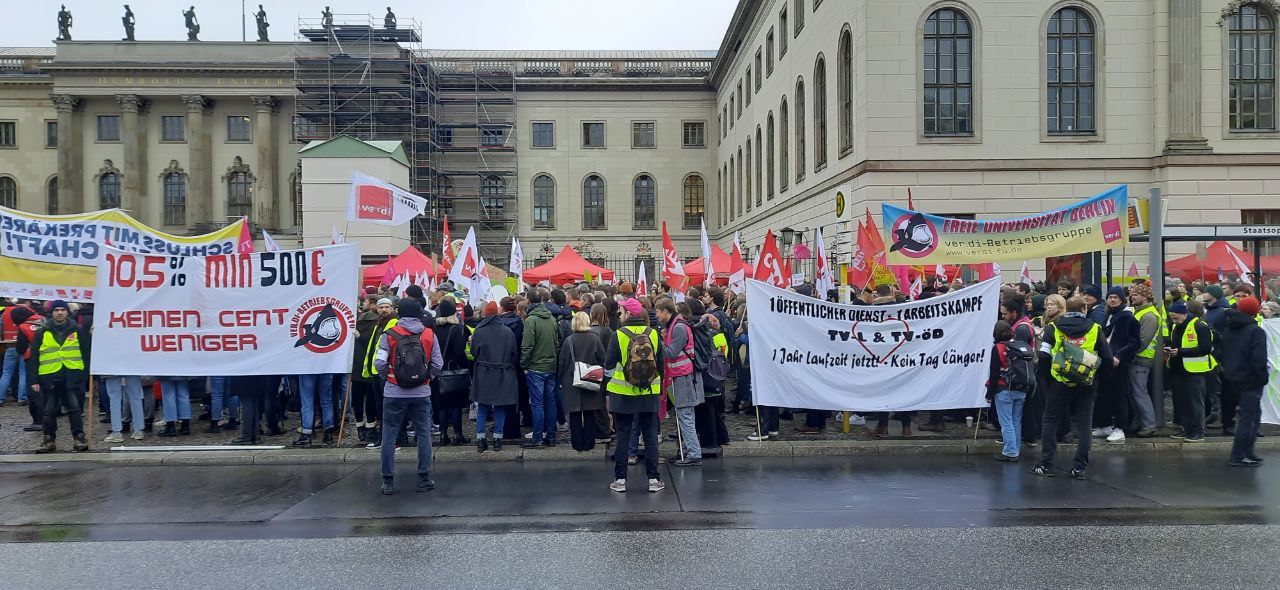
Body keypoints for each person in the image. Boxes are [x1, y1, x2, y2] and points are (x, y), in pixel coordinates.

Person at [1030, 296, 1114, 480]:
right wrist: (1099, 378)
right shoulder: (1095, 329)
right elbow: (1107, 357)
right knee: (1085, 424)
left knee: (1050, 421)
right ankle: (1080, 468)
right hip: (1087, 382)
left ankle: (1047, 465)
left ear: (1066, 309)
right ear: (1084, 309)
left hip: (1059, 381)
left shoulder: (1053, 328)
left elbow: (1043, 356)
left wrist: (1047, 379)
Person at [374, 299, 442, 495]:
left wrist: (388, 378)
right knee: (423, 434)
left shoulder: (389, 335)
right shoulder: (429, 334)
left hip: (394, 391)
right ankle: (424, 477)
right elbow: (438, 363)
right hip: (422, 392)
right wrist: (427, 378)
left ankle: (388, 480)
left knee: (389, 434)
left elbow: (379, 362)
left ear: (399, 313)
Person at [604, 298, 665, 492]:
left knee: (623, 435)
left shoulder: (618, 334)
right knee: (650, 436)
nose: (619, 315)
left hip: (623, 393)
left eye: (621, 311)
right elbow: (661, 365)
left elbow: (609, 365)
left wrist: (606, 384)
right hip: (649, 392)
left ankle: (620, 480)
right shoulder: (654, 334)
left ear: (629, 314)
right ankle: (654, 480)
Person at [29, 300, 91, 453]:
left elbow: (86, 353)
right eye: (56, 310)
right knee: (49, 410)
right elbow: (34, 356)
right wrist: (33, 379)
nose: (59, 312)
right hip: (49, 376)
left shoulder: (78, 330)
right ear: (52, 312)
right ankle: (49, 440)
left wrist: (84, 375)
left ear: (67, 312)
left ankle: (79, 438)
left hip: (72, 376)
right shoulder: (42, 331)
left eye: (62, 309)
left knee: (75, 409)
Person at [1218, 297, 1268, 466]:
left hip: (1232, 377)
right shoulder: (1255, 331)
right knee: (1249, 418)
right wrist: (1262, 378)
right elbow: (1258, 359)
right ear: (1255, 311)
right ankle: (1239, 455)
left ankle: (1248, 451)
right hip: (1250, 379)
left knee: (1251, 416)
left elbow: (1221, 352)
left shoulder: (1230, 327)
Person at [656, 299, 703, 466]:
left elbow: (671, 353)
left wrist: (659, 344)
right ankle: (686, 450)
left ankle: (693, 453)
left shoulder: (678, 327)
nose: (656, 315)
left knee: (685, 415)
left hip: (682, 375)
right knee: (685, 415)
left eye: (658, 311)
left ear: (666, 311)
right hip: (679, 375)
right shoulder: (676, 325)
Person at [470, 301, 518, 452]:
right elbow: (514, 354)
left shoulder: (479, 331)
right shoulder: (507, 331)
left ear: (485, 314)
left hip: (484, 372)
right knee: (500, 407)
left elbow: (473, 353)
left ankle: (480, 440)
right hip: (503, 373)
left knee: (483, 407)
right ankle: (497, 439)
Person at [1095, 286, 1140, 443]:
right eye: (1110, 297)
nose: (1112, 299)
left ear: (1122, 300)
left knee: (1119, 396)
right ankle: (1105, 425)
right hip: (1105, 360)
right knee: (1103, 394)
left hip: (1119, 362)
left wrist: (1119, 356)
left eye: (1116, 297)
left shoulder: (1128, 317)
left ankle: (1120, 428)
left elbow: (1134, 342)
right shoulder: (1107, 315)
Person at [1166, 301, 1214, 443]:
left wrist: (1180, 352)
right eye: (1172, 318)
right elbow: (1176, 343)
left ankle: (1198, 431)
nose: (1174, 321)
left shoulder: (1199, 326)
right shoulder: (1176, 326)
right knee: (1182, 402)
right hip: (1178, 369)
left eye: (1176, 318)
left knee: (1195, 402)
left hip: (1195, 371)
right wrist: (1169, 348)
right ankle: (1187, 430)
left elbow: (1205, 348)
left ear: (1184, 314)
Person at [559, 311, 606, 451]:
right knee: (590, 412)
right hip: (591, 378)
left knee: (574, 414)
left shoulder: (569, 340)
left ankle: (577, 444)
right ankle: (589, 443)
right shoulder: (595, 339)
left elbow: (562, 362)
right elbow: (603, 359)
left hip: (572, 380)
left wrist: (560, 380)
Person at [520, 290, 560, 448]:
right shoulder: (551, 318)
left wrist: (524, 364)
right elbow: (556, 342)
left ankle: (537, 438)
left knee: (537, 404)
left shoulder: (531, 320)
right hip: (550, 365)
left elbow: (527, 346)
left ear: (529, 301)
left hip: (536, 366)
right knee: (550, 402)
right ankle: (550, 437)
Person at [989, 320, 1032, 461]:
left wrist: (989, 394)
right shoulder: (1020, 346)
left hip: (1003, 389)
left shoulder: (998, 348)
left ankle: (1010, 452)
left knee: (1006, 422)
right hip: (1021, 388)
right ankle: (1015, 449)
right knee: (1015, 421)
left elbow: (994, 373)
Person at [431, 299, 470, 446]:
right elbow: (460, 353)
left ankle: (443, 435)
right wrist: (465, 368)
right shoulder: (455, 329)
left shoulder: (434, 329)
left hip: (437, 372)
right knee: (455, 405)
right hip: (452, 371)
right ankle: (458, 434)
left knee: (442, 406)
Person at [360, 298, 397, 447]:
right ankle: (385, 438)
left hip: (386, 372)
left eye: (387, 307)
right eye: (381, 307)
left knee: (387, 407)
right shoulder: (379, 323)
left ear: (392, 308)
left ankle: (387, 439)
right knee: (381, 407)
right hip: (377, 371)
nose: (383, 310)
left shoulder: (393, 323)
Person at [1128, 282, 1162, 437]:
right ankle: (1140, 422)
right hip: (1137, 358)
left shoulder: (1148, 315)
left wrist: (1127, 353)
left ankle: (1149, 424)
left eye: (1135, 294)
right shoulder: (1141, 312)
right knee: (1135, 392)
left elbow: (1142, 341)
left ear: (1146, 296)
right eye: (1132, 294)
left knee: (1139, 393)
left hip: (1140, 359)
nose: (1132, 296)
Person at [495, 297, 527, 440]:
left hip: (501, 364)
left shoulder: (498, 324)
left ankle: (502, 427)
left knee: (501, 397)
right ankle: (513, 429)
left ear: (502, 308)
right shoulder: (520, 323)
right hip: (516, 363)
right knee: (516, 396)